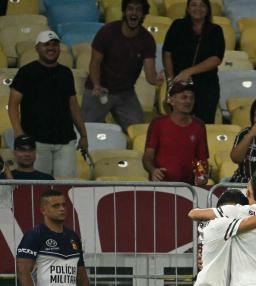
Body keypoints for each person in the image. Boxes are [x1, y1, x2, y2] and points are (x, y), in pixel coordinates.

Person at [8, 30, 88, 178]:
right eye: (46, 45)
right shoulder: (26, 72)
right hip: (37, 143)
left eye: (54, 45)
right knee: (38, 188)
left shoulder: (66, 73)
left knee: (65, 188)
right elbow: (13, 105)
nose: (51, 48)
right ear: (37, 48)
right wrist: (19, 134)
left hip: (65, 142)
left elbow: (73, 105)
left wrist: (83, 134)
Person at [82, 0, 164, 132]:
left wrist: (155, 80)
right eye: (130, 9)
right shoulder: (107, 32)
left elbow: (150, 74)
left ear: (143, 15)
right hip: (100, 90)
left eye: (138, 10)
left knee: (139, 131)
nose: (134, 13)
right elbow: (94, 63)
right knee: (86, 131)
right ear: (124, 12)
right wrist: (96, 85)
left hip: (125, 93)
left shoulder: (147, 39)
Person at [16, 189, 93, 286]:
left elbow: (81, 275)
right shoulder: (34, 235)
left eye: (64, 205)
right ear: (43, 210)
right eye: (56, 206)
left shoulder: (73, 237)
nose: (62, 209)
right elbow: (23, 272)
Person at [163, 0, 225, 124]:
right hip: (180, 84)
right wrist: (171, 82)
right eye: (194, 5)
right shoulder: (177, 25)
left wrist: (189, 71)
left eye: (202, 5)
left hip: (206, 86)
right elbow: (167, 53)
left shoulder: (215, 30)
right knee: (179, 124)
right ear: (188, 8)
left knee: (203, 125)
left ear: (207, 9)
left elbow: (216, 58)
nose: (198, 8)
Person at [142, 80, 209, 186]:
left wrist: (200, 175)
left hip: (188, 188)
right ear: (172, 101)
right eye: (184, 97)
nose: (188, 101)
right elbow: (148, 157)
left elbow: (199, 160)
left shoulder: (199, 126)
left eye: (191, 98)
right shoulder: (158, 124)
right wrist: (153, 170)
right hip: (161, 186)